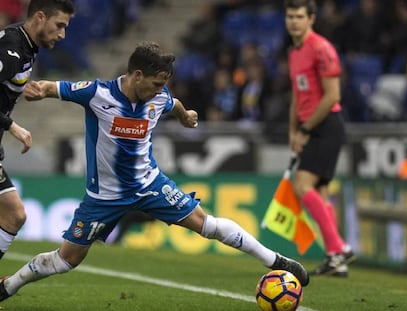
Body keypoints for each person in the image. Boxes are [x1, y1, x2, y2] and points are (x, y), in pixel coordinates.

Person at [0, 41, 309, 302]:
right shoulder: (98, 94)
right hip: (104, 196)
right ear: (137, 75)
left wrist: (185, 115)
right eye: (157, 82)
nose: (161, 89)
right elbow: (58, 88)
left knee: (207, 224)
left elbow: (172, 103)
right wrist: (40, 89)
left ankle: (276, 261)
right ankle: (9, 286)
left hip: (150, 184)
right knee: (67, 260)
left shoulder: (158, 98)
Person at [284, 0, 355, 277]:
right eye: (290, 16)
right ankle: (337, 258)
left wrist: (304, 130)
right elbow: (296, 97)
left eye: (299, 16)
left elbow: (332, 97)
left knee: (302, 185)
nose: (294, 22)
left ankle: (340, 247)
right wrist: (293, 131)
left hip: (326, 125)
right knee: (321, 193)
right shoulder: (294, 52)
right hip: (310, 127)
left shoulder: (321, 48)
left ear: (311, 18)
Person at [0, 0, 74, 261]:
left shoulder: (25, 44)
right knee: (14, 213)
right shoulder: (11, 47)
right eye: (59, 25)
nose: (62, 34)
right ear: (40, 17)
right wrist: (12, 126)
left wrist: (22, 85)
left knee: (14, 214)